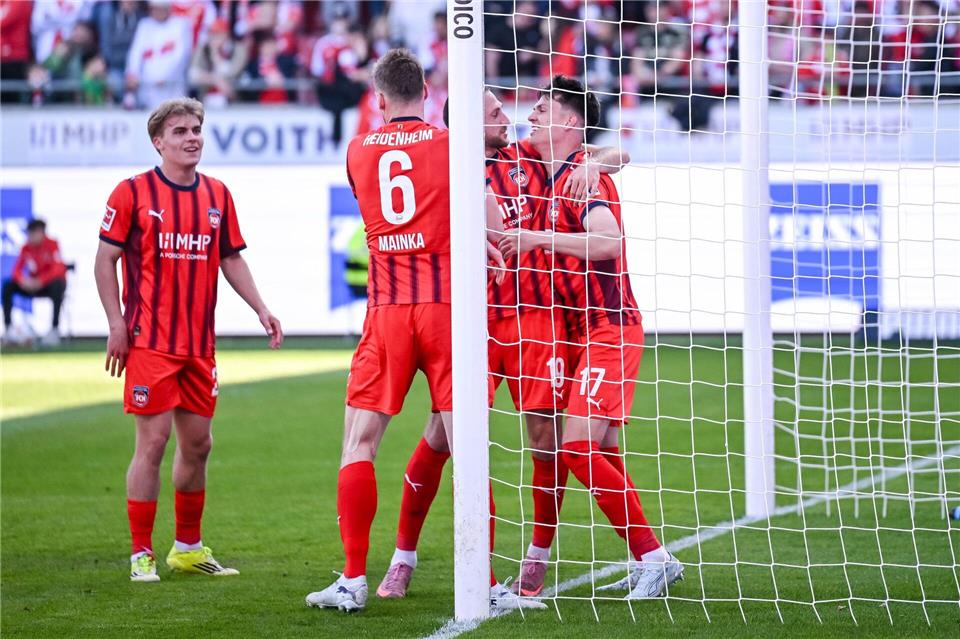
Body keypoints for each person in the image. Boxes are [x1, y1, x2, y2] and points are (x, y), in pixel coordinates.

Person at [376, 90, 632, 600]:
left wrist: (598, 161)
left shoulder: (528, 157)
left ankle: (536, 558)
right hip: (473, 321)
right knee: (442, 437)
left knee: (546, 438)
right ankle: (402, 558)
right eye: (493, 113)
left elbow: (616, 154)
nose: (507, 119)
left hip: (539, 321)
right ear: (467, 124)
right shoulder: (443, 166)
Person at [303, 49, 532, 615]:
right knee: (467, 449)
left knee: (359, 443)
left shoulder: (358, 150)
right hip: (448, 310)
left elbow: (376, 209)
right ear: (426, 92)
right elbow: (490, 222)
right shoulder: (452, 145)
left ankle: (354, 580)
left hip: (387, 310)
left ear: (379, 99)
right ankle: (485, 582)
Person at [500, 75, 685, 600]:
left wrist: (536, 236)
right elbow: (619, 151)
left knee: (576, 444)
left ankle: (655, 557)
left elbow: (608, 242)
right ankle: (641, 559)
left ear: (569, 120)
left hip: (608, 326)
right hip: (573, 330)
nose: (530, 114)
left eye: (542, 107)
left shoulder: (585, 180)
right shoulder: (551, 167)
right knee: (599, 446)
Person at [93, 96, 283, 583]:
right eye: (180, 131)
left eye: (196, 128)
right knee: (152, 444)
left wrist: (261, 308)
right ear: (159, 142)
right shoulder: (131, 191)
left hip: (200, 347)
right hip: (150, 343)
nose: (192, 136)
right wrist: (116, 324)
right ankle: (141, 552)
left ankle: (187, 547)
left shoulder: (217, 194)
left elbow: (231, 258)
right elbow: (104, 260)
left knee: (198, 445)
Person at [2, 219, 68, 346]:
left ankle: (54, 329)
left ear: (41, 233)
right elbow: (16, 270)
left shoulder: (52, 244)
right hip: (32, 286)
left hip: (47, 285)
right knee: (8, 285)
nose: (31, 237)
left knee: (58, 285)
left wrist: (41, 281)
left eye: (33, 233)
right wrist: (23, 281)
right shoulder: (26, 248)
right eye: (29, 234)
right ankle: (9, 329)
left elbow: (58, 268)